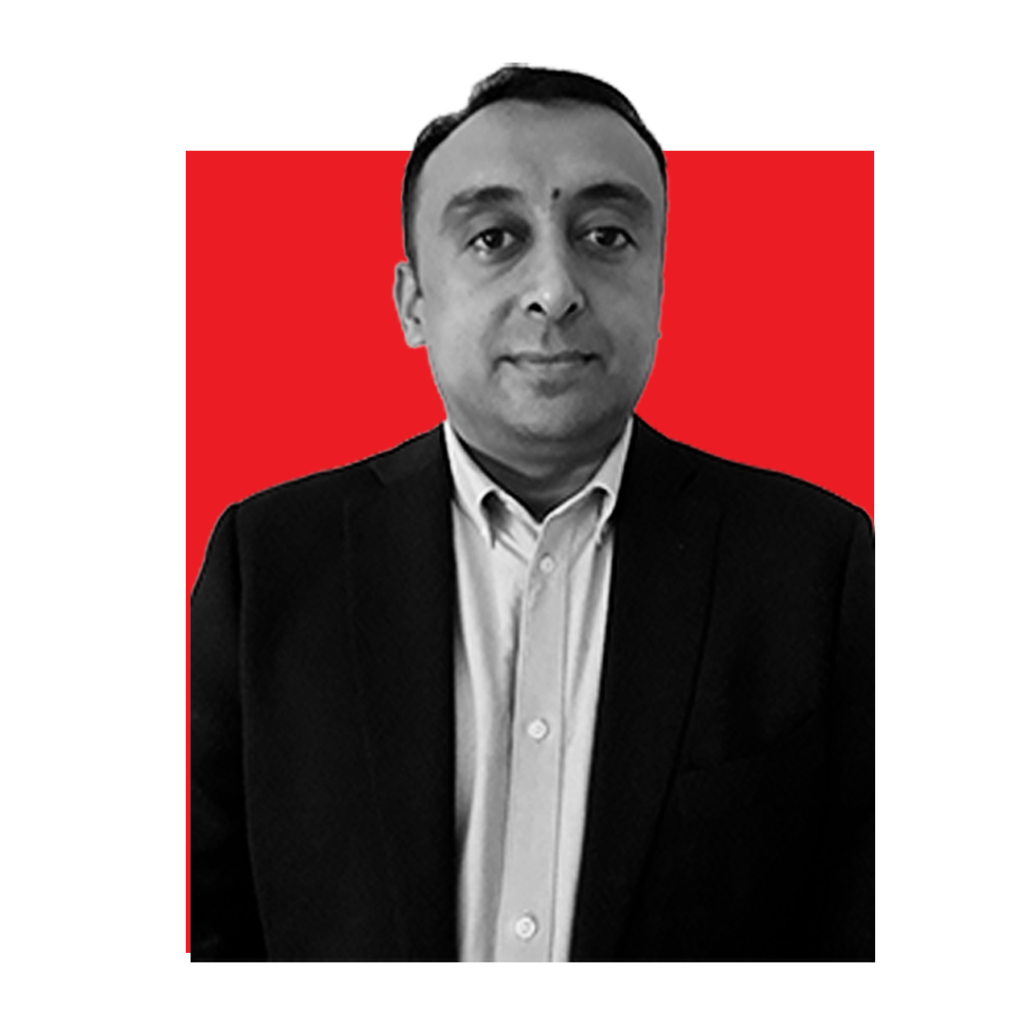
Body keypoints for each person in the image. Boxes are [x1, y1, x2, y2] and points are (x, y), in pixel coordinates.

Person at [190, 66, 876, 963]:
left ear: (660, 283)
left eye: (606, 235)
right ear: (412, 302)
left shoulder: (814, 566)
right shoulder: (270, 564)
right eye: (494, 237)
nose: (555, 288)